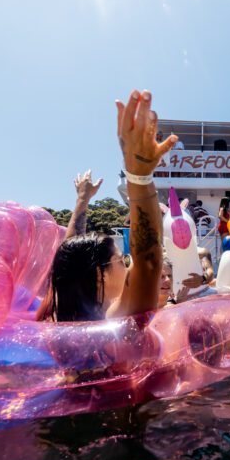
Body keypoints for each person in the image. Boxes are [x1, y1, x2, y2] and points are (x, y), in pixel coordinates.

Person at [45, 89, 178, 322]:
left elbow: (70, 253)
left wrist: (82, 200)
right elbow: (148, 260)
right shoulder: (117, 317)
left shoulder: (58, 308)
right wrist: (139, 175)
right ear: (100, 276)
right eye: (121, 260)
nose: (128, 263)